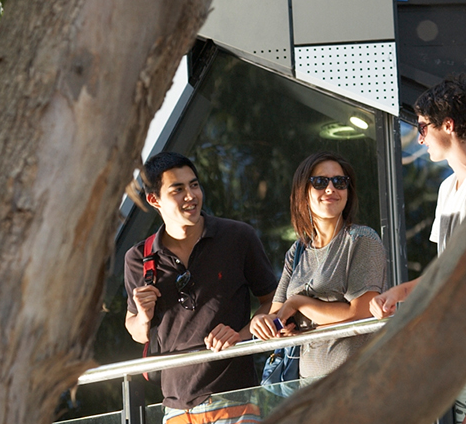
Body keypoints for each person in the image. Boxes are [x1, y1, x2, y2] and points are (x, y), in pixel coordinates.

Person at [369, 75, 466, 423]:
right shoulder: (447, 188)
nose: (420, 138)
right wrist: (400, 293)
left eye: (423, 127)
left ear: (447, 125)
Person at [123, 152, 277, 424]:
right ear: (153, 199)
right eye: (178, 189)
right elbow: (136, 332)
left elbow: (275, 302)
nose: (191, 195)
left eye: (194, 185)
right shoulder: (139, 258)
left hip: (235, 402)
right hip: (176, 410)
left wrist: (241, 334)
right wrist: (144, 316)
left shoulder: (238, 237)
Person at [250, 151, 388, 378]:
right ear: (303, 193)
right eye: (320, 182)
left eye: (340, 182)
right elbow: (277, 315)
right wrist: (261, 322)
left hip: (358, 383)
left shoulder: (362, 239)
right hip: (307, 387)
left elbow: (361, 313)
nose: (331, 189)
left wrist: (299, 302)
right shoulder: (297, 251)